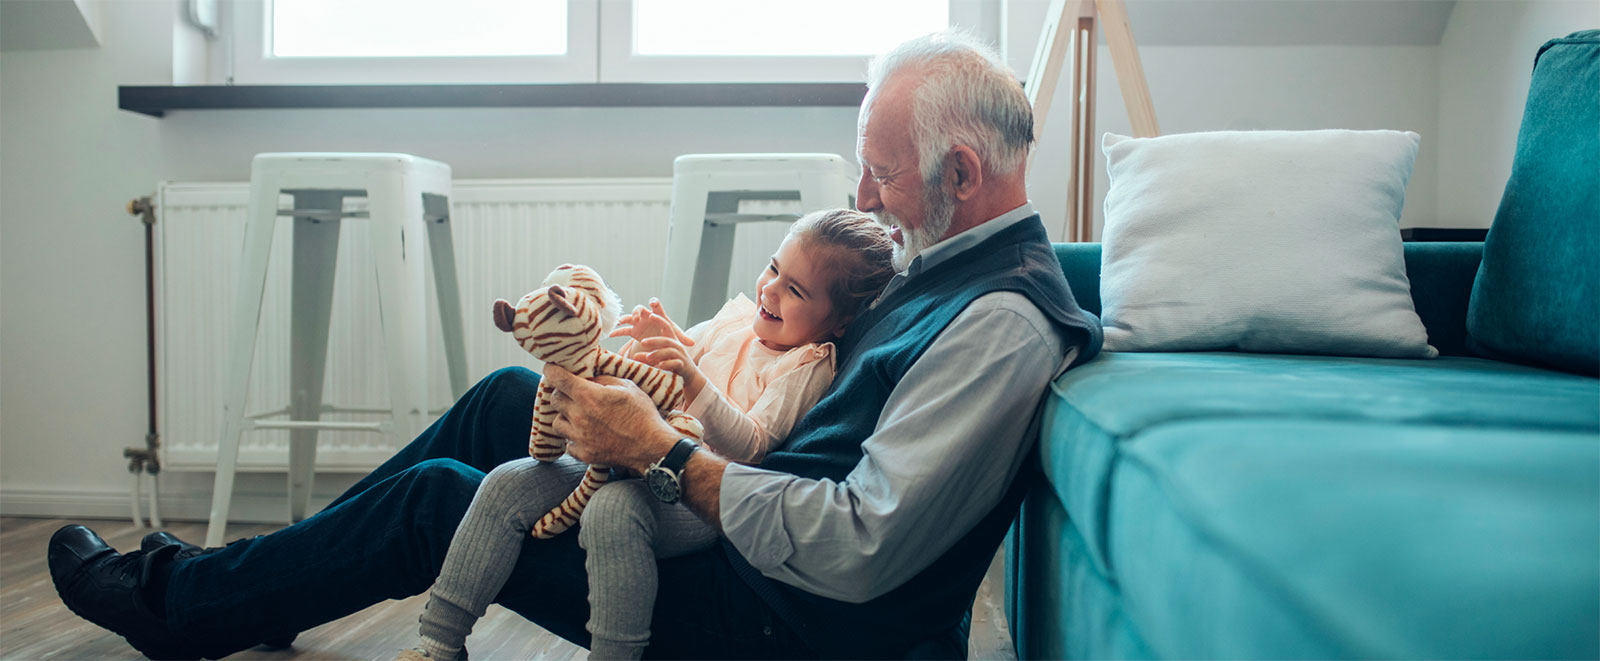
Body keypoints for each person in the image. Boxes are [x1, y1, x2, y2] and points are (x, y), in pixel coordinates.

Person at [48, 29, 1102, 659]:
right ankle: (252, 584)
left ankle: (183, 608)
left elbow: (857, 543)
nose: (860, 196)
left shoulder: (999, 324)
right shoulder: (948, 267)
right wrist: (662, 390)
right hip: (748, 538)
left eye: (877, 175)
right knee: (510, 398)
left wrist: (666, 452)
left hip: (779, 616)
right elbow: (802, 409)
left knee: (445, 498)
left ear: (960, 174)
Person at [400, 209, 897, 661]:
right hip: (633, 455)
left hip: (701, 496)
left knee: (613, 511)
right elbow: (685, 351)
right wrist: (661, 334)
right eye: (773, 269)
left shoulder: (806, 364)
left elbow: (755, 445)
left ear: (842, 319)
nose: (770, 290)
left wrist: (693, 379)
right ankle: (438, 641)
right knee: (509, 481)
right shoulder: (738, 322)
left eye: (796, 291)